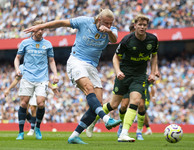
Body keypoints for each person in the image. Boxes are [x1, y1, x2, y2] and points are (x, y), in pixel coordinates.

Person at [24, 8, 121, 144]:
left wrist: (109, 31)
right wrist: (41, 26)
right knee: (89, 88)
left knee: (97, 103)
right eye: (106, 23)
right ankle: (106, 119)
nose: (109, 25)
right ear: (99, 20)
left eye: (111, 23)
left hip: (92, 66)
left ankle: (74, 135)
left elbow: (115, 39)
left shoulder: (112, 30)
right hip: (76, 61)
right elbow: (62, 23)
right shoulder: (84, 22)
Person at [86, 14, 159, 142]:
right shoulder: (127, 40)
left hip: (139, 76)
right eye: (140, 25)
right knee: (113, 104)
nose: (142, 27)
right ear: (135, 25)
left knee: (135, 101)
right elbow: (115, 57)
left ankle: (124, 133)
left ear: (147, 26)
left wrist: (152, 73)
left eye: (144, 25)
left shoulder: (152, 40)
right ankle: (92, 122)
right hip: (124, 75)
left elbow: (154, 56)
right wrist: (118, 71)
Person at [14, 20, 59, 140]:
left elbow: (51, 61)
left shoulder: (48, 44)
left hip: (42, 78)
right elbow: (17, 58)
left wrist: (55, 74)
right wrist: (17, 69)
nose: (40, 31)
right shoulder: (25, 43)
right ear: (33, 29)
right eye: (38, 29)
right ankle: (21, 132)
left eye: (42, 29)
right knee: (24, 103)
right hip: (27, 77)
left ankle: (37, 128)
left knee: (40, 103)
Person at [4, 64, 59, 136]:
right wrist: (8, 89)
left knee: (33, 108)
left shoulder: (38, 66)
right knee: (25, 110)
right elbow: (17, 79)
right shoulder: (22, 67)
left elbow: (44, 80)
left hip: (37, 87)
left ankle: (32, 129)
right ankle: (34, 124)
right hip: (26, 88)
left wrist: (52, 87)